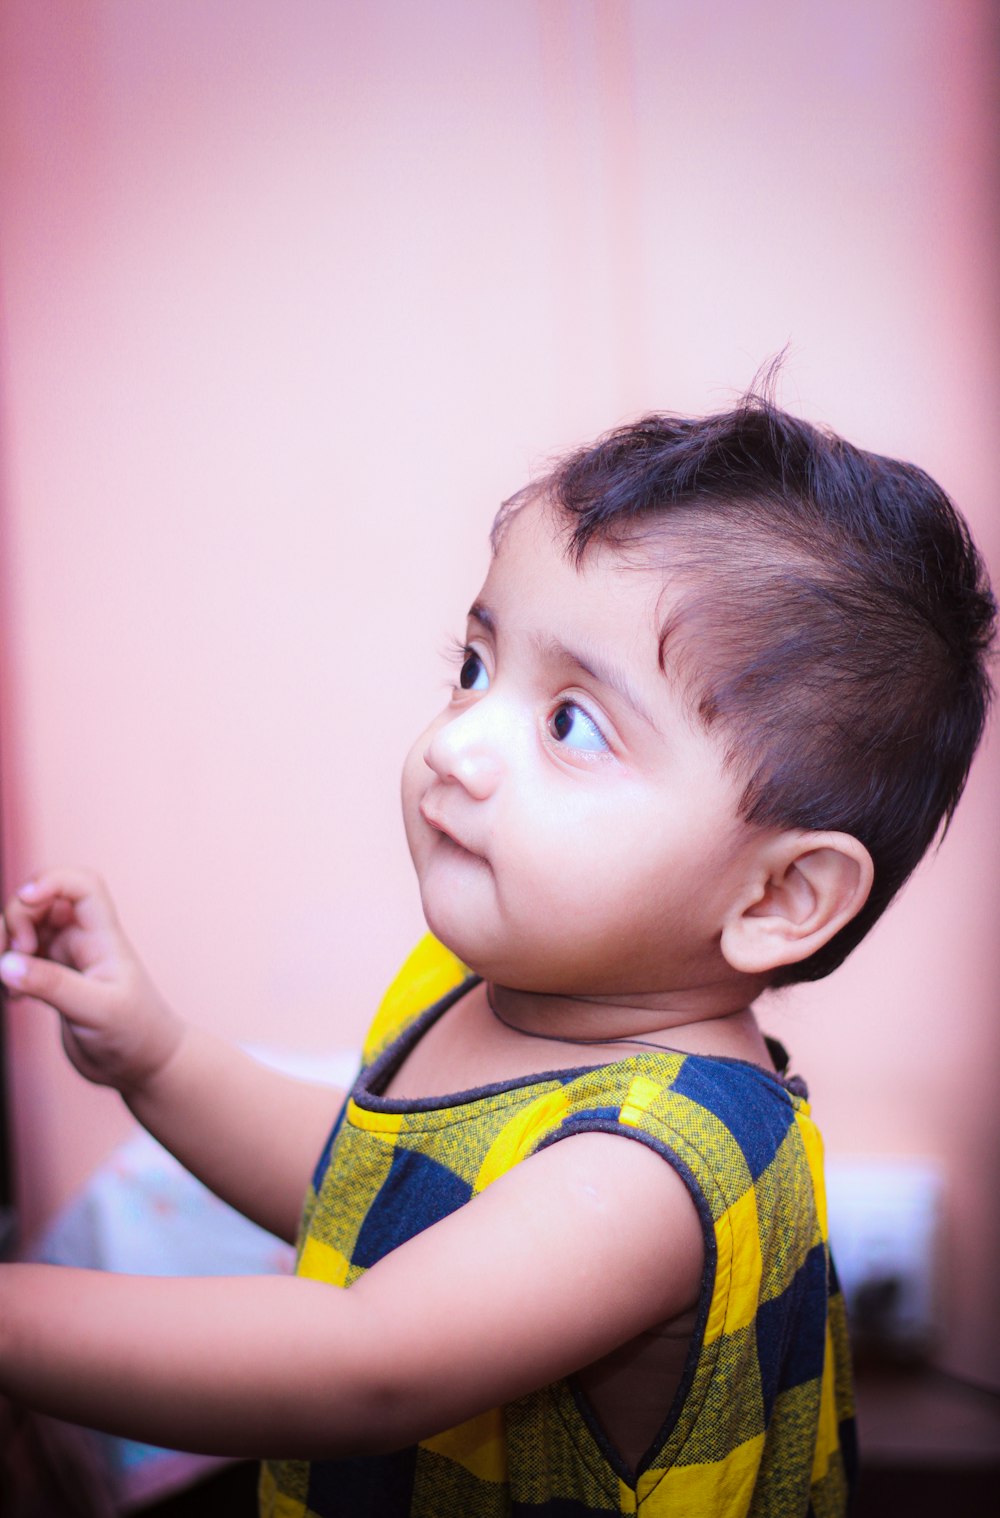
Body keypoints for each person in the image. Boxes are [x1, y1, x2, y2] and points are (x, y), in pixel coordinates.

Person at [0, 390, 994, 1517]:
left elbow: (360, 1362)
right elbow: (362, 1192)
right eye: (474, 668)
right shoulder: (485, 984)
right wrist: (156, 1056)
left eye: (572, 722)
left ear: (778, 895)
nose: (458, 746)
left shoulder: (650, 1170)